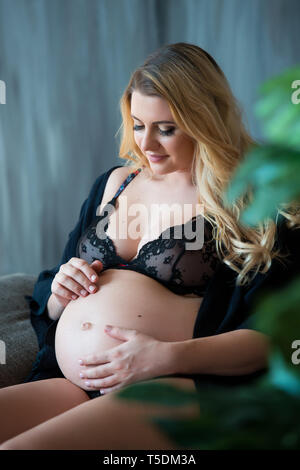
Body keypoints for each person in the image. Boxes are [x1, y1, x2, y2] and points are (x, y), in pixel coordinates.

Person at [0, 42, 299, 450]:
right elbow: (52, 292)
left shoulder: (253, 199)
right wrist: (58, 295)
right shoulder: (115, 182)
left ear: (205, 120)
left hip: (177, 385)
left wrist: (165, 358)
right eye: (138, 124)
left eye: (166, 128)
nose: (147, 144)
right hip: (74, 384)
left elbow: (273, 336)